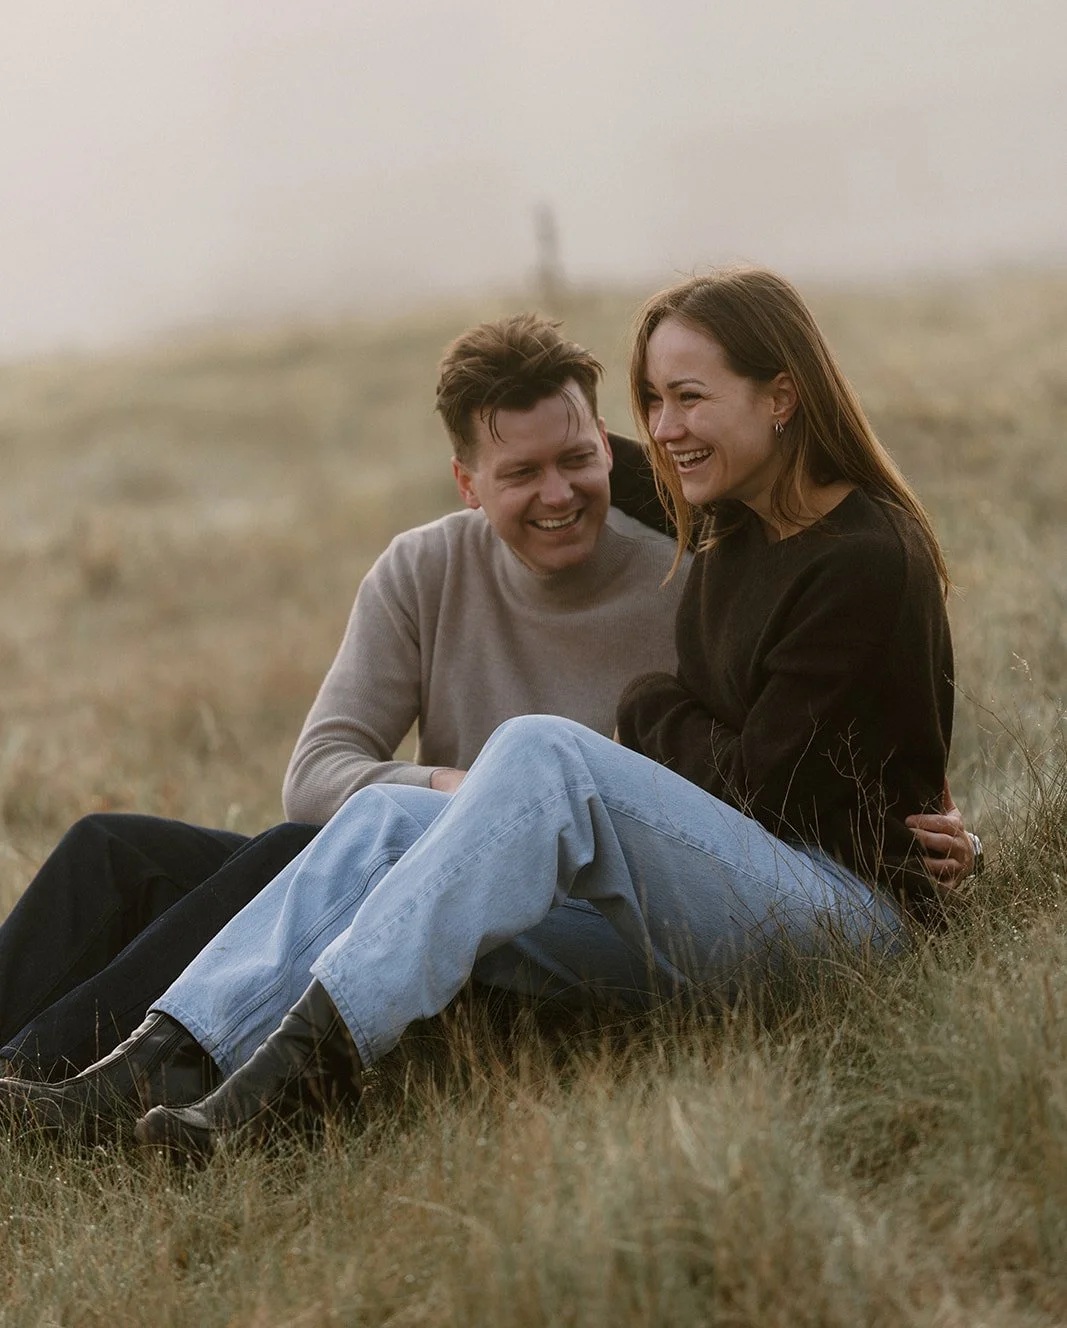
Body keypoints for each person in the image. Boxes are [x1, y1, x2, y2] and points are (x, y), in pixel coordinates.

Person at [109, 264, 969, 1160]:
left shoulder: (862, 558)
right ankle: (168, 1058)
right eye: (649, 401)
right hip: (731, 904)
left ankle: (301, 1081)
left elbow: (766, 791)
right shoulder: (728, 510)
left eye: (688, 397)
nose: (664, 430)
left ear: (781, 396)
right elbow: (561, 462)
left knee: (542, 752)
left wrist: (649, 705)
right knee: (393, 812)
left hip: (845, 926)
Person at [0, 313, 683, 1121]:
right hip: (390, 868)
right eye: (521, 473)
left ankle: (52, 1091)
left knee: (294, 855)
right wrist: (461, 790)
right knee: (110, 851)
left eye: (576, 460)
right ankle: (19, 1068)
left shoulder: (684, 590)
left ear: (606, 444)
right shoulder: (425, 568)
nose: (558, 494)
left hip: (534, 936)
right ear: (467, 483)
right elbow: (319, 769)